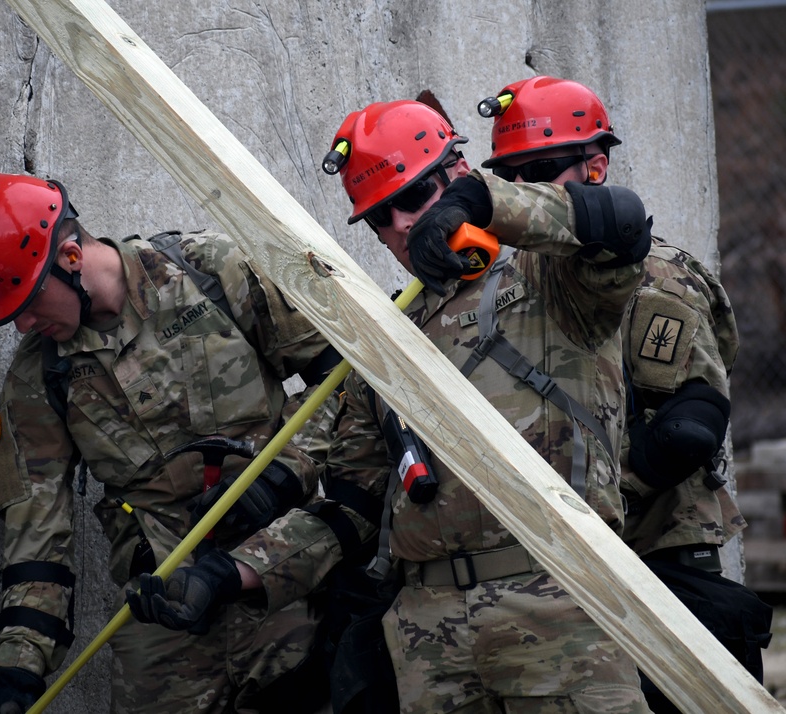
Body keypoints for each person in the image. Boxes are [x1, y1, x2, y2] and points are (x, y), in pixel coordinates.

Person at [0, 172, 345, 713]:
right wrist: (16, 674)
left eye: (30, 300)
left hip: (285, 580)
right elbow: (36, 540)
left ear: (72, 256)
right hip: (165, 626)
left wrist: (285, 473)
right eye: (10, 314)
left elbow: (347, 377)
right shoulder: (39, 377)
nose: (23, 324)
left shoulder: (210, 271)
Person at [330, 90, 654, 711]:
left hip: (561, 604)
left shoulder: (550, 278)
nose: (399, 225)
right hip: (429, 634)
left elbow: (622, 224)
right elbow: (352, 491)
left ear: (456, 174)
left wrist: (482, 202)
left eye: (413, 199)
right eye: (379, 216)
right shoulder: (387, 335)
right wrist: (235, 573)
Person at [474, 75, 773, 711]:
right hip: (565, 563)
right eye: (511, 176)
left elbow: (685, 430)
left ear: (596, 167)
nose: (526, 191)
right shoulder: (504, 288)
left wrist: (582, 506)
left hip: (654, 550)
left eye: (543, 171)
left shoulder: (655, 278)